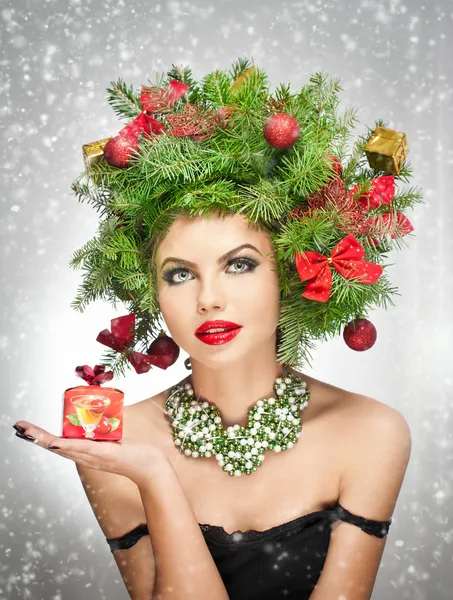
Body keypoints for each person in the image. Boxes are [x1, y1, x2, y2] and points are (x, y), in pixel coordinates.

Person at [13, 58, 419, 600]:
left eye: (241, 264)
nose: (208, 298)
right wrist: (153, 475)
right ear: (151, 290)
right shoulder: (117, 447)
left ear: (295, 271)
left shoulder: (371, 432)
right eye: (180, 274)